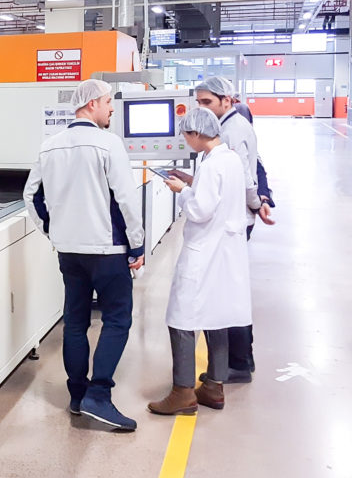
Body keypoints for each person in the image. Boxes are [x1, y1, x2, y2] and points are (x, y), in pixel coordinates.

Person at [24, 79, 145, 432]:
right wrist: (137, 245)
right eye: (108, 102)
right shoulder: (109, 144)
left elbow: (31, 196)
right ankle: (99, 396)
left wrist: (53, 232)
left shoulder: (50, 146)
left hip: (69, 252)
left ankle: (77, 395)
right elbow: (126, 199)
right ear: (91, 104)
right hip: (108, 250)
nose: (111, 108)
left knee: (75, 321)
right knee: (117, 319)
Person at [148, 108, 252, 414]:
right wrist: (191, 181)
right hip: (225, 253)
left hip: (203, 251)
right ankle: (214, 387)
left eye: (186, 135)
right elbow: (217, 193)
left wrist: (181, 191)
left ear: (196, 133)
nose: (185, 141)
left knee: (180, 318)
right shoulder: (229, 159)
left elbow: (200, 210)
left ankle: (182, 392)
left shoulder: (211, 164)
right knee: (215, 316)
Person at [185, 77, 274, 383]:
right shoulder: (229, 126)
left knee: (227, 294)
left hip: (229, 224)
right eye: (198, 102)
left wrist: (257, 203)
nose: (202, 108)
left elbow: (244, 177)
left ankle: (238, 362)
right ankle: (239, 360)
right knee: (230, 290)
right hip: (231, 220)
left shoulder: (231, 131)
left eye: (207, 102)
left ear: (227, 100)